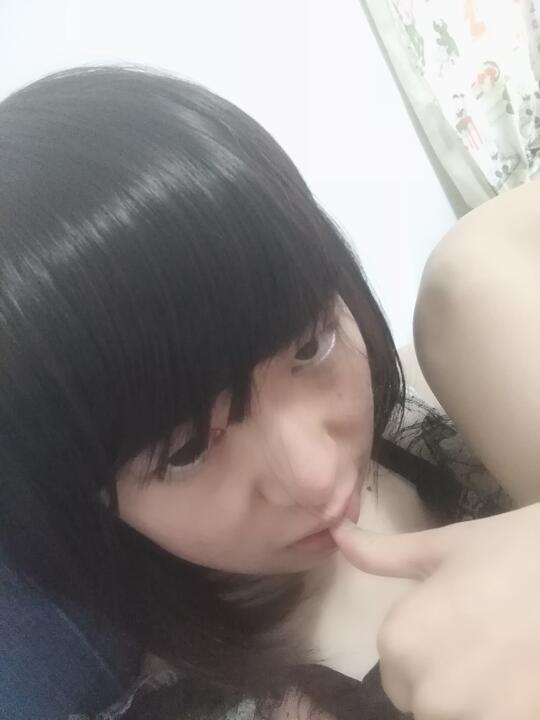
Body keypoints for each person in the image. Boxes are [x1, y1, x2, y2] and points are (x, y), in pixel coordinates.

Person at [0, 64, 537, 720]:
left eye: (310, 347)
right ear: (86, 493)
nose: (317, 476)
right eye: (187, 452)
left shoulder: (466, 382)